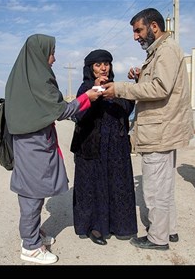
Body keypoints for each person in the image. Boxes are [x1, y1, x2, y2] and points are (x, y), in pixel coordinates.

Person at [4, 34, 101, 265]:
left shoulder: (23, 77)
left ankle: (33, 235)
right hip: (33, 147)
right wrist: (87, 97)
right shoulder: (39, 82)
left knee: (34, 193)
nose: (54, 58)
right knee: (32, 195)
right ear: (40, 53)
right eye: (52, 52)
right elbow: (60, 110)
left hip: (33, 144)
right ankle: (30, 247)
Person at [102, 8, 194, 250]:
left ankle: (158, 238)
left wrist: (121, 88)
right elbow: (156, 83)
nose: (135, 37)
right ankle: (168, 230)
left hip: (159, 132)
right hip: (161, 130)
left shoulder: (167, 50)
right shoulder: (160, 52)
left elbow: (160, 88)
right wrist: (140, 76)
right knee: (164, 187)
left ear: (154, 27)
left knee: (154, 191)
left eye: (138, 30)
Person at [70, 49, 137, 245]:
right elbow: (79, 115)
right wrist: (96, 95)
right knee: (92, 187)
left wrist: (116, 94)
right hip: (92, 146)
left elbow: (127, 110)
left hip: (116, 146)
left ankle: (119, 224)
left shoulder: (117, 87)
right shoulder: (85, 88)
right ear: (90, 68)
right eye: (98, 64)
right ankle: (94, 227)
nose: (103, 67)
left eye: (106, 63)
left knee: (117, 184)